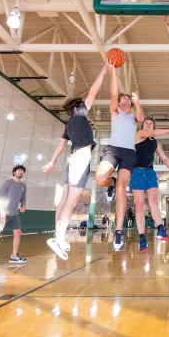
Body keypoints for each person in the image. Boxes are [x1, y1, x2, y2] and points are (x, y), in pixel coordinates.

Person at [42, 61, 109, 260]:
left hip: (71, 159)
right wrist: (104, 69)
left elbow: (61, 145)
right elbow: (94, 91)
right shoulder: (80, 113)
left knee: (64, 200)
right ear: (77, 107)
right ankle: (59, 238)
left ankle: (58, 236)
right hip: (80, 157)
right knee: (71, 202)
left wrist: (53, 161)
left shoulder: (68, 124)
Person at [94, 62, 144, 252]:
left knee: (123, 190)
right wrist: (113, 71)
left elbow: (141, 116)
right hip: (113, 149)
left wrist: (137, 101)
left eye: (127, 100)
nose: (124, 100)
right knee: (100, 179)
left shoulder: (133, 117)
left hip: (128, 153)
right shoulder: (115, 114)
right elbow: (113, 94)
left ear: (129, 104)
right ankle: (110, 183)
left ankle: (119, 232)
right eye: (122, 99)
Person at [129, 117, 169, 250]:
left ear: (153, 126)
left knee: (153, 202)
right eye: (146, 122)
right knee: (139, 204)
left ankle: (161, 229)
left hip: (150, 172)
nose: (149, 123)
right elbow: (152, 133)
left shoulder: (155, 143)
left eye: (151, 123)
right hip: (137, 172)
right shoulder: (139, 135)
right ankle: (141, 237)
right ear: (143, 126)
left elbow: (164, 157)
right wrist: (168, 130)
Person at [0, 165, 28, 270]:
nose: (21, 172)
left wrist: (23, 205)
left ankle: (14, 256)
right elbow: (0, 198)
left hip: (14, 214)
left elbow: (23, 197)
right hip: (1, 213)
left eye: (22, 171)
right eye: (19, 170)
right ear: (14, 172)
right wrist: (2, 212)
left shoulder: (23, 185)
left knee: (18, 233)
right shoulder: (7, 183)